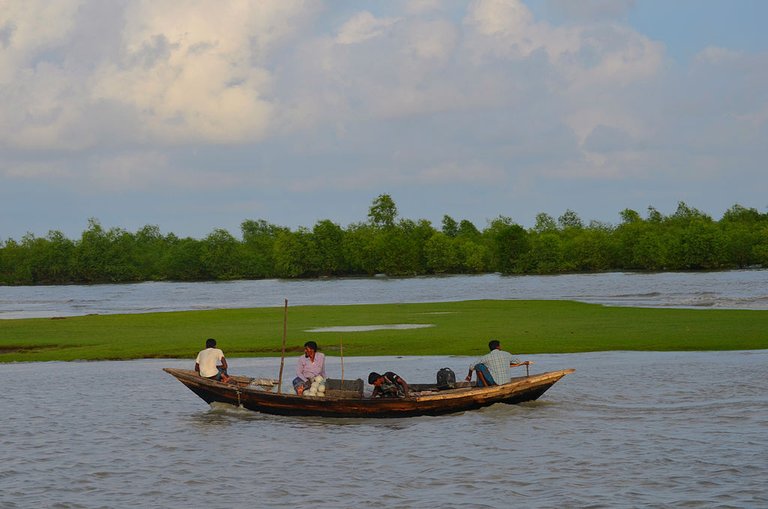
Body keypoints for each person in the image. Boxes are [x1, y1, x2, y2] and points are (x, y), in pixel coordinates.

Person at [465, 339, 531, 387]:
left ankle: (486, 387)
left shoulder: (486, 357)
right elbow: (518, 361)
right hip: (507, 381)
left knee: (478, 366)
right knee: (480, 366)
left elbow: (472, 366)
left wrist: (469, 376)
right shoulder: (506, 354)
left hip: (495, 382)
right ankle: (486, 386)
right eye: (500, 346)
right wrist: (506, 362)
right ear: (498, 347)